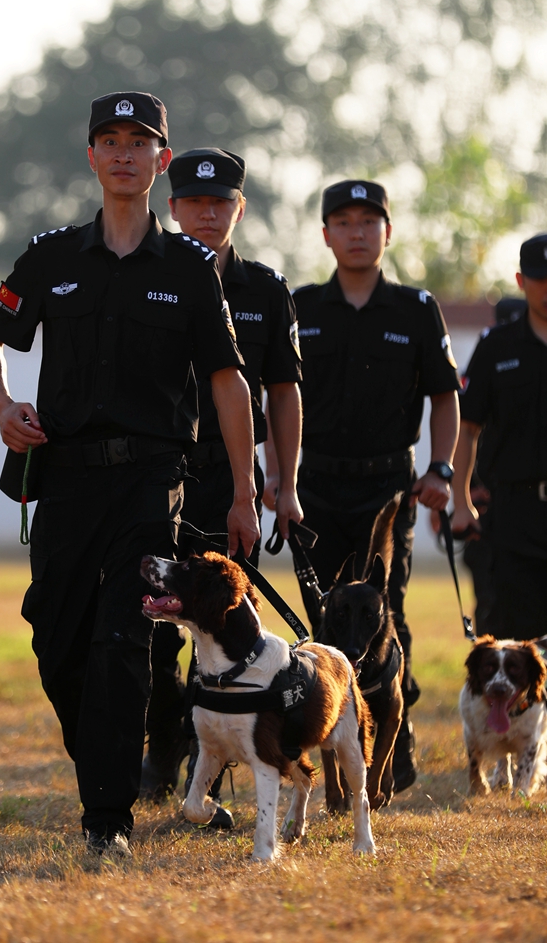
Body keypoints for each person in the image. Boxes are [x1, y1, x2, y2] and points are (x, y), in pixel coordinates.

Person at [0, 92, 259, 860]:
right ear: (91, 156)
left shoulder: (190, 267)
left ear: (160, 160)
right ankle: (104, 760)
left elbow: (227, 380)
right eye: (110, 139)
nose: (124, 152)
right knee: (56, 640)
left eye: (139, 141)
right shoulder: (51, 256)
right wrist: (2, 406)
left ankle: (107, 819)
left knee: (122, 638)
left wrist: (244, 491)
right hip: (65, 477)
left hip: (149, 482)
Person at [142, 147, 303, 818]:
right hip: (158, 471)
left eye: (221, 203)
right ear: (172, 207)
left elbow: (283, 391)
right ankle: (161, 748)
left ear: (239, 208)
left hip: (229, 475)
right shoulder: (145, 273)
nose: (208, 214)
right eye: (194, 203)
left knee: (223, 619)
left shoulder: (265, 288)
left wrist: (284, 485)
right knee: (155, 622)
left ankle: (220, 753)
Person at [291, 179, 460, 790]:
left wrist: (441, 469)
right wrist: (275, 476)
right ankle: (334, 746)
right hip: (315, 488)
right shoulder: (302, 306)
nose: (356, 233)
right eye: (344, 222)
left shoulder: (415, 309)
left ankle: (394, 739)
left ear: (387, 232)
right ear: (326, 234)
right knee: (323, 619)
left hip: (388, 489)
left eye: (369, 221)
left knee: (387, 613)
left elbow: (445, 396)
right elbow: (275, 396)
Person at [452, 234, 547, 640]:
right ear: (521, 281)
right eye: (539, 278)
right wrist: (460, 502)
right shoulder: (497, 347)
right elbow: (467, 428)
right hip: (513, 516)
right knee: (515, 640)